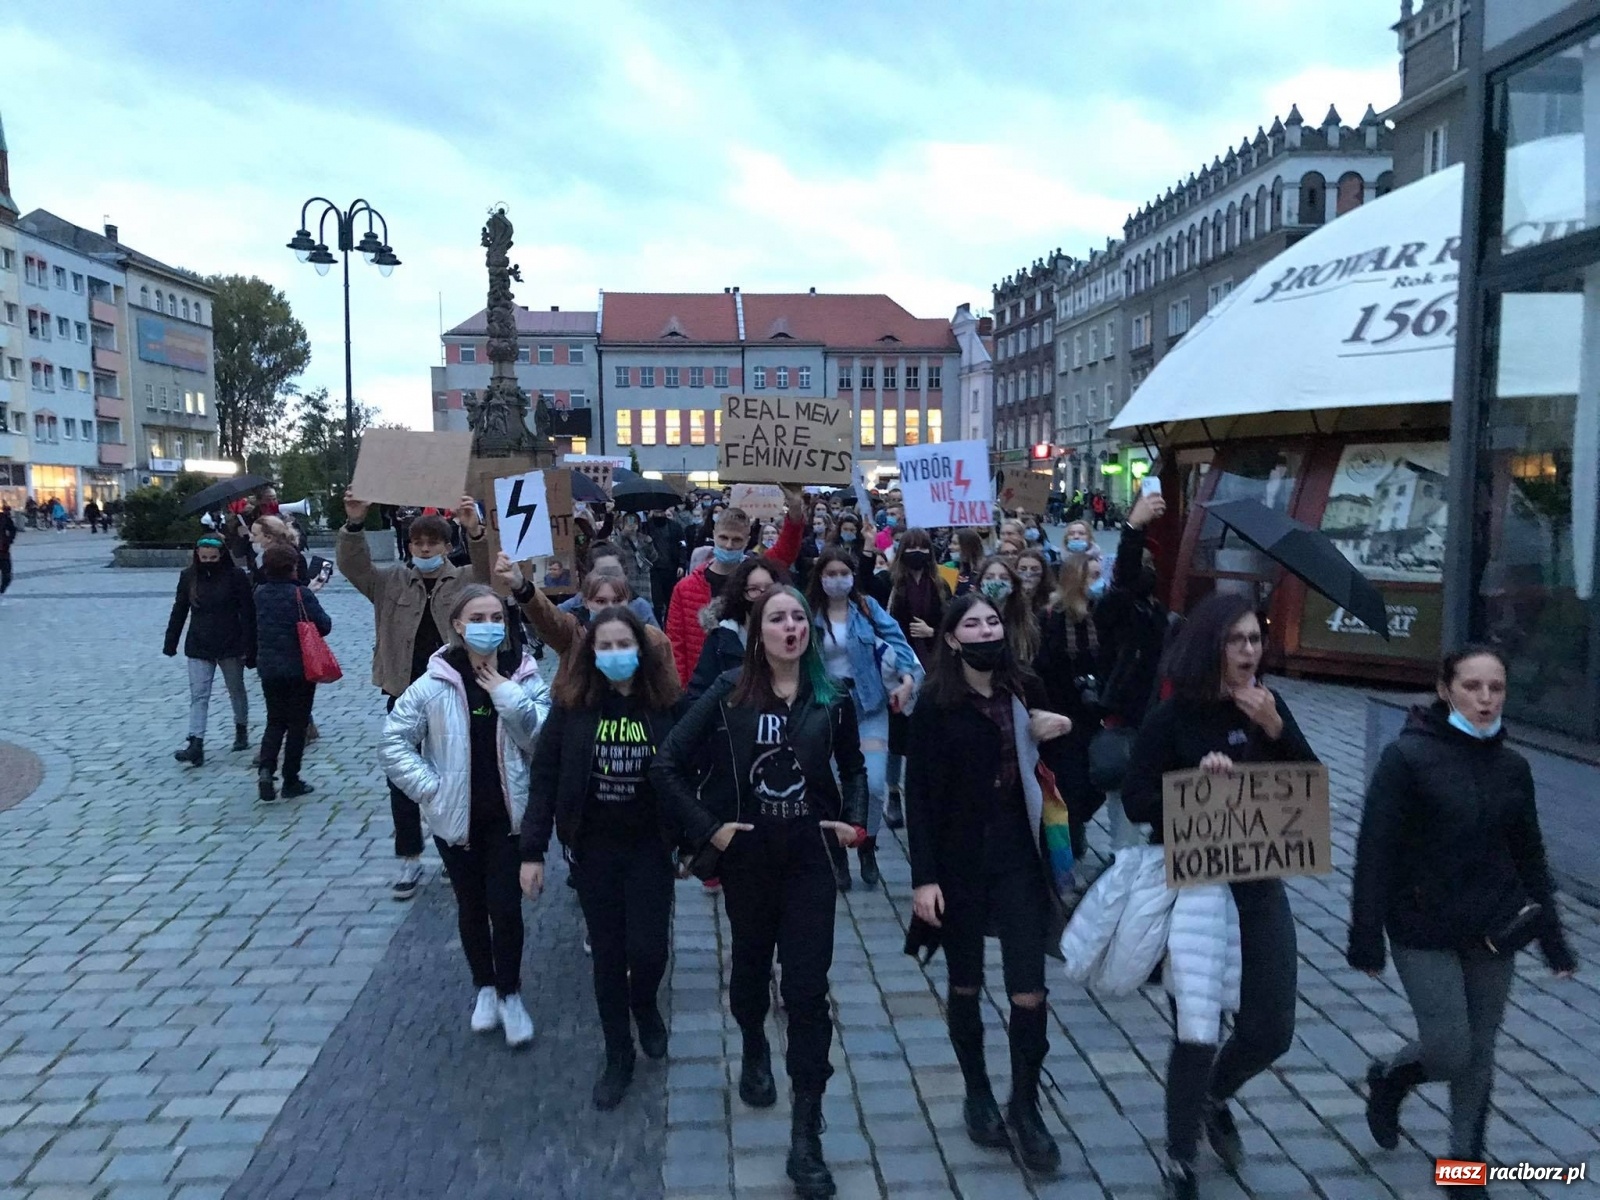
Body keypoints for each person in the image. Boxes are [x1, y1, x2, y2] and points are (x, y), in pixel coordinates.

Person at [652, 585, 868, 1200]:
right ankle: (752, 1043)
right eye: (777, 618)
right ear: (757, 632)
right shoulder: (729, 692)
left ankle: (806, 1134)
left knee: (807, 991)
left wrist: (854, 822)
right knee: (750, 968)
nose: (791, 626)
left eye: (799, 617)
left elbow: (853, 768)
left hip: (809, 863)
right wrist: (709, 828)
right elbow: (666, 764)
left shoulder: (833, 696)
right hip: (748, 861)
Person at [1120, 592, 1319, 1200]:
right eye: (1237, 640)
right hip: (1196, 889)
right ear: (1212, 647)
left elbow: (1308, 787)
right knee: (1197, 1028)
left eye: (1255, 639)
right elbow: (1137, 800)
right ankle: (1180, 1155)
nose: (1249, 651)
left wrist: (1276, 729)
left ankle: (1214, 1095)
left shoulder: (1269, 706)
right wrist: (1194, 787)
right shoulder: (1172, 717)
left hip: (1258, 882)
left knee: (1272, 1027)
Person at [1348, 646, 1575, 1168]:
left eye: (1496, 688)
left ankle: (1465, 1166)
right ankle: (1392, 1078)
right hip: (1422, 925)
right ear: (1445, 690)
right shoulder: (1407, 758)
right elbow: (1375, 850)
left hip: (1494, 927)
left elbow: (1531, 856)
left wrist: (1553, 938)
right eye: (1472, 687)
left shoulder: (1513, 767)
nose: (1486, 698)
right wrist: (1365, 934)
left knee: (1480, 1050)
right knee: (1450, 1048)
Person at [906, 593, 1075, 1177]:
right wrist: (924, 878)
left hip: (1019, 856)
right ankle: (977, 1090)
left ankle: (1025, 1105)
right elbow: (918, 795)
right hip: (959, 862)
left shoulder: (1025, 688)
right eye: (972, 624)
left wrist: (1061, 731)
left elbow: (1066, 775)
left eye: (992, 621)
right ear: (952, 639)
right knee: (966, 982)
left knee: (1029, 989)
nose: (985, 631)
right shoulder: (936, 702)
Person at [520, 604, 681, 1108]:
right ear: (591, 654)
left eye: (623, 645)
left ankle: (645, 1003)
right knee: (608, 957)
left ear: (641, 650)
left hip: (650, 848)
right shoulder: (573, 707)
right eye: (605, 646)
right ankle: (618, 1054)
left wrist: (699, 839)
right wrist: (532, 851)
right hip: (594, 851)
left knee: (649, 951)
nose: (615, 654)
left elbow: (691, 773)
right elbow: (544, 779)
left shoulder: (664, 705)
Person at [380, 585, 550, 1049]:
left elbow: (542, 739)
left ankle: (511, 992)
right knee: (471, 906)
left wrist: (508, 696)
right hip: (456, 820)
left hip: (509, 817)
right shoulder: (436, 681)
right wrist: (431, 790)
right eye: (477, 618)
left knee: (506, 909)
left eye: (496, 617)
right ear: (457, 625)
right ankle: (485, 987)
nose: (488, 626)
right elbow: (394, 740)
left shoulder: (523, 674)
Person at [339, 490, 490, 900]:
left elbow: (490, 571)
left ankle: (454, 848)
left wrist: (475, 530)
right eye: (418, 542)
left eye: (433, 542)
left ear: (447, 546)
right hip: (404, 692)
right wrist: (354, 523)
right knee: (402, 778)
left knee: (456, 773)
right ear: (408, 546)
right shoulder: (390, 581)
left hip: (454, 692)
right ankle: (409, 855)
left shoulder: (463, 580)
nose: (424, 549)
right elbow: (353, 566)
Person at [806, 547, 922, 889]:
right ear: (820, 577)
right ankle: (836, 854)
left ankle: (867, 843)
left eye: (844, 573)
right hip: (825, 710)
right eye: (831, 574)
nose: (838, 580)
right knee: (830, 787)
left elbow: (898, 641)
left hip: (868, 706)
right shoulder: (808, 611)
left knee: (872, 784)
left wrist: (907, 678)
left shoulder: (867, 608)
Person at [664, 491, 803, 685]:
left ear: (747, 540)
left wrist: (795, 512)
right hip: (702, 683)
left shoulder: (757, 576)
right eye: (723, 538)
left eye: (737, 540)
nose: (729, 545)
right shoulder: (685, 588)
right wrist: (683, 690)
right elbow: (675, 645)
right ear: (714, 534)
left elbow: (786, 550)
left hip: (751, 678)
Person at [500, 554, 677, 689]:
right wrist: (521, 586)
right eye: (601, 601)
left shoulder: (653, 638)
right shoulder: (573, 634)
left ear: (628, 600)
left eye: (617, 600)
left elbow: (669, 689)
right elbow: (547, 617)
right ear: (586, 602)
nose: (609, 608)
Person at [1038, 552, 1108, 863]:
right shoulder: (1050, 617)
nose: (1097, 583)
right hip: (1061, 712)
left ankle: (1077, 821)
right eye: (1092, 576)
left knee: (1095, 783)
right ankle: (1068, 834)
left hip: (1092, 714)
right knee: (1068, 782)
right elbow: (1043, 665)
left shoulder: (1101, 614)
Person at [163, 535, 256, 766]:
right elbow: (179, 609)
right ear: (197, 556)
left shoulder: (235, 576)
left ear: (221, 556)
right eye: (204, 558)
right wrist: (171, 642)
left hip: (230, 642)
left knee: (236, 689)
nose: (208, 561)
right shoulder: (189, 576)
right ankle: (196, 742)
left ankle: (241, 728)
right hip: (199, 643)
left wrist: (250, 646)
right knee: (199, 694)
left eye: (212, 558)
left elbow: (248, 613)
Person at [252, 544, 332, 803]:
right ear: (293, 567)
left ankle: (266, 769)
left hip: (269, 668)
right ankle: (291, 779)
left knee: (275, 720)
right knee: (297, 724)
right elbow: (324, 625)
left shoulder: (259, 593)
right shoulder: (301, 593)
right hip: (300, 668)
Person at [886, 528, 950, 820]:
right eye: (911, 547)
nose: (917, 553)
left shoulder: (941, 583)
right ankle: (893, 793)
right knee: (897, 734)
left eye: (923, 548)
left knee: (927, 732)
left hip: (932, 666)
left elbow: (951, 621)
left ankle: (924, 790)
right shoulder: (891, 582)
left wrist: (932, 631)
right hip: (898, 667)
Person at [687, 557, 791, 702]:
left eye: (769, 589)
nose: (762, 595)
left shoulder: (790, 635)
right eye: (753, 589)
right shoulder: (720, 640)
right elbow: (698, 693)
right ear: (741, 593)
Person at [557, 541, 659, 629]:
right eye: (603, 574)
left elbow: (656, 642)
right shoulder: (573, 605)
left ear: (625, 573)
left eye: (614, 573)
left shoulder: (640, 607)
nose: (609, 579)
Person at [975, 556, 1040, 664]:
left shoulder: (1024, 621)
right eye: (989, 578)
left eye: (1004, 578)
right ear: (980, 583)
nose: (996, 581)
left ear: (1012, 585)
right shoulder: (968, 617)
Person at [643, 509, 686, 626]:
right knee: (656, 603)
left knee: (671, 601)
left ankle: (668, 625)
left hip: (671, 569)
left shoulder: (675, 526)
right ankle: (658, 626)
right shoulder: (646, 527)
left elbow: (682, 545)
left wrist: (681, 564)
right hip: (653, 570)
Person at [1013, 547, 1054, 620]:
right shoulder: (1010, 597)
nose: (1028, 573)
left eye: (1034, 569)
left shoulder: (1052, 598)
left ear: (1043, 572)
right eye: (1023, 569)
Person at [948, 529, 986, 598]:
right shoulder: (949, 567)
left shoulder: (985, 571)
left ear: (968, 546)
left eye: (955, 543)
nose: (950, 547)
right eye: (951, 543)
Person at [0, 504, 15, 594]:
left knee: (7, 576)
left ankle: (2, 590)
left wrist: (9, 540)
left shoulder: (3, 518)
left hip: (3, 550)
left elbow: (12, 529)